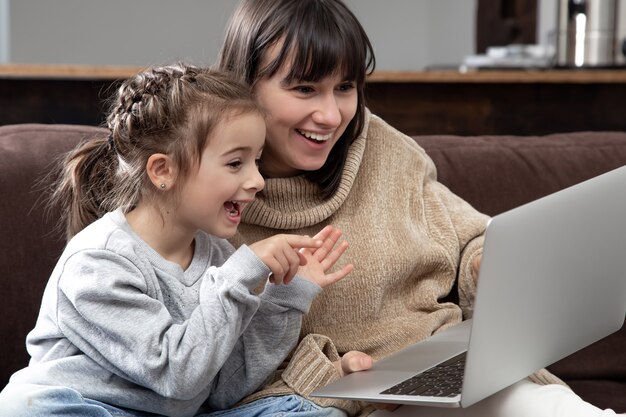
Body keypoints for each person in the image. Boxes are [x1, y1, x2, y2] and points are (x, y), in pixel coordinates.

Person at [212, 1, 625, 416]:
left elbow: (469, 238)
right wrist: (333, 380)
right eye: (304, 89)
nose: (331, 115)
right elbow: (209, 374)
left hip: (455, 380)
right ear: (244, 85)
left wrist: (485, 266)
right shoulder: (204, 200)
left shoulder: (381, 148)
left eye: (345, 87)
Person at [0, 63, 355, 417]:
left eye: (257, 162)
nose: (257, 181)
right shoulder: (98, 263)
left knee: (319, 414)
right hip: (86, 407)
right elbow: (176, 374)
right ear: (163, 171)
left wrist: (285, 297)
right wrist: (241, 273)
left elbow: (223, 391)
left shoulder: (216, 254)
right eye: (236, 163)